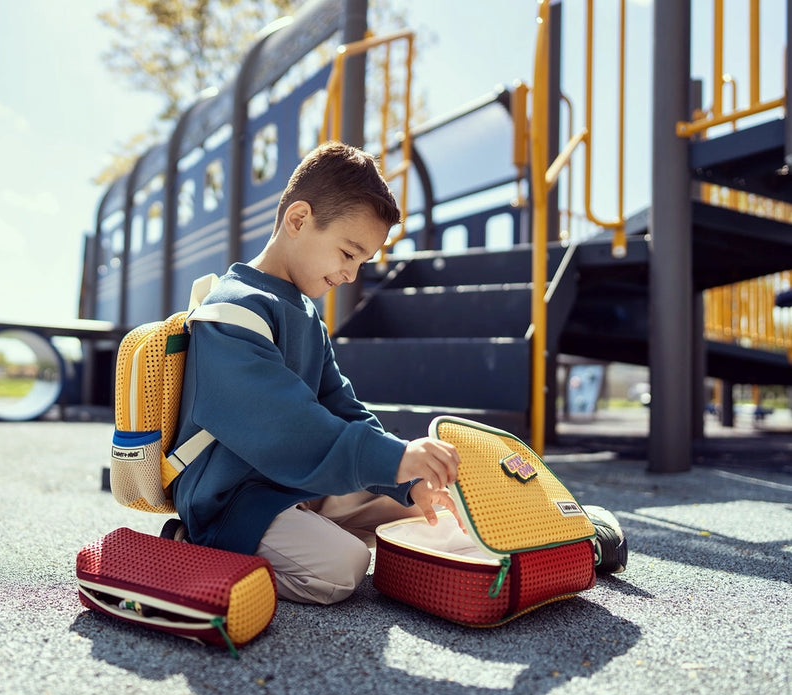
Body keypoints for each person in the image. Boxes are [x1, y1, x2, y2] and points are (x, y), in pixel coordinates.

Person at [169, 142, 623, 605]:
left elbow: (344, 408)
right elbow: (282, 426)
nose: (350, 274)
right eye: (348, 253)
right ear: (299, 219)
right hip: (234, 501)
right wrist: (393, 459)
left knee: (443, 511)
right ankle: (198, 549)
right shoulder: (232, 312)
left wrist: (407, 480)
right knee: (341, 567)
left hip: (295, 485)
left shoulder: (305, 315)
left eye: (361, 262)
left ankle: (556, 541)